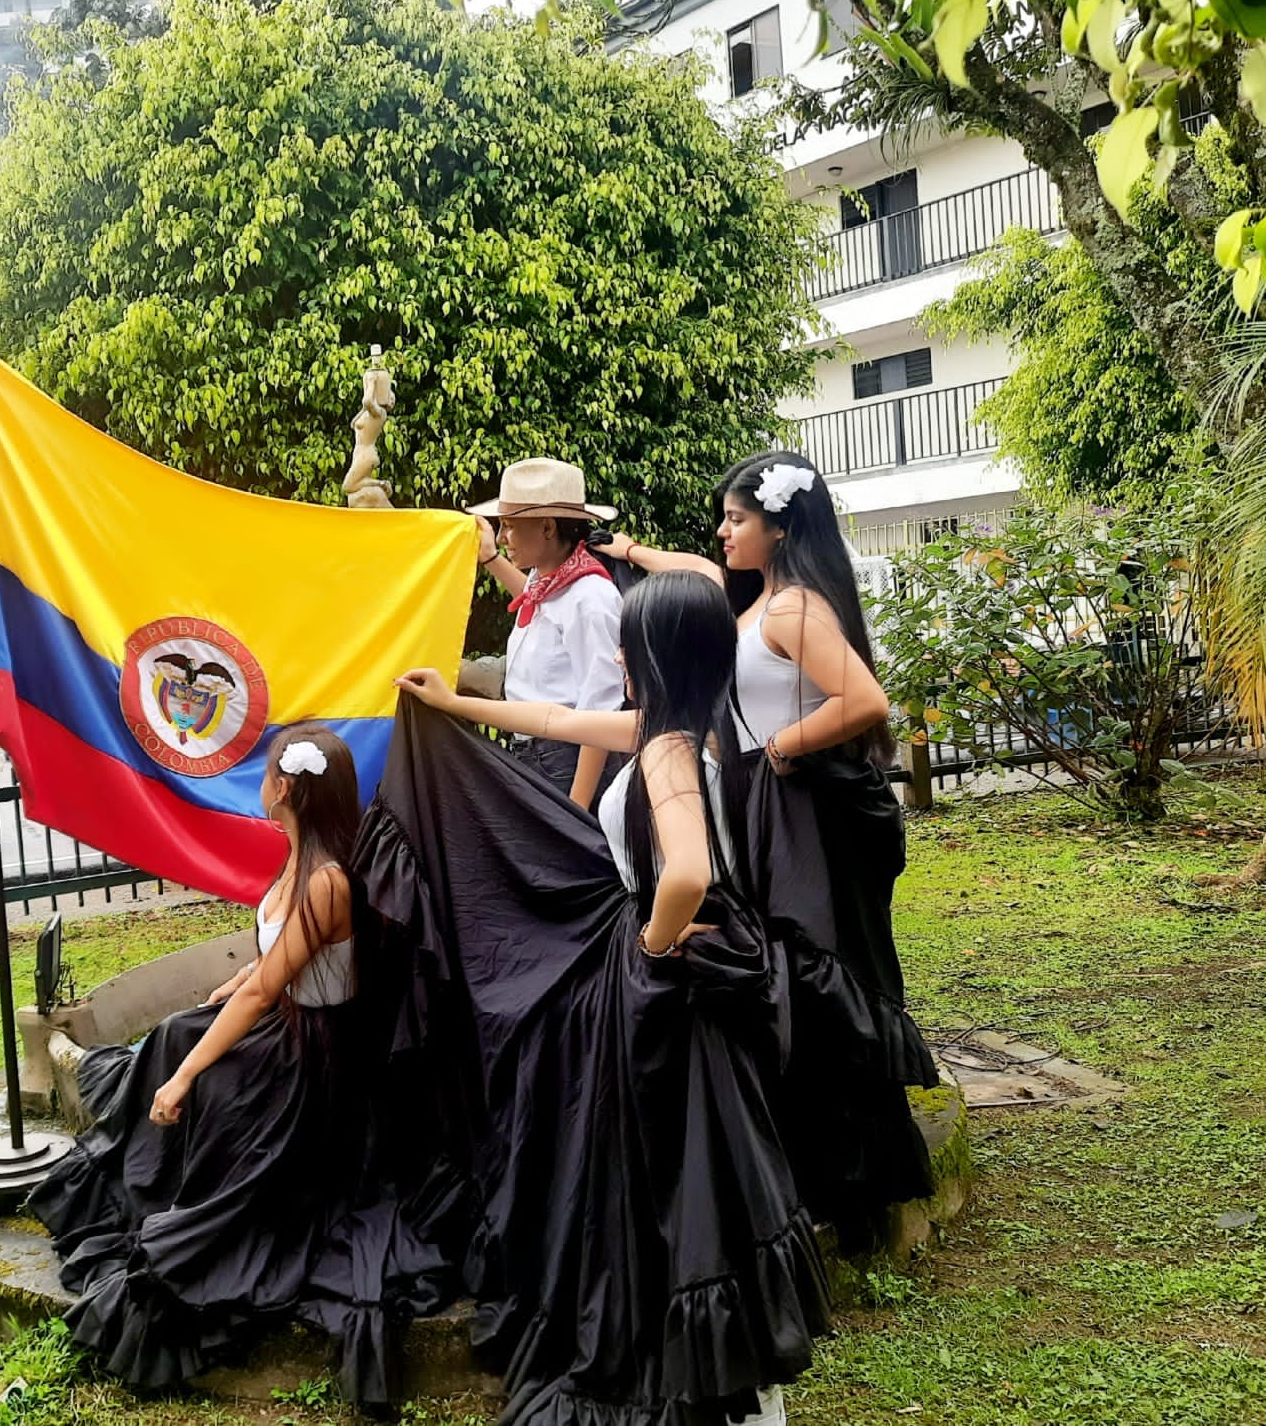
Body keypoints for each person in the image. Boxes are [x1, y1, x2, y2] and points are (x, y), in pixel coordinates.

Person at [385, 571, 829, 1426]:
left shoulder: (665, 753)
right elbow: (553, 721)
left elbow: (691, 871)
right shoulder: (684, 729)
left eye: (629, 642)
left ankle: (723, 1388)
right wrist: (456, 704)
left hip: (676, 1000)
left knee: (682, 1179)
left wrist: (653, 942)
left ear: (652, 656)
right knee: (695, 1184)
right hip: (693, 995)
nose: (617, 655)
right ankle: (730, 1379)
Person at [597, 450, 940, 1242]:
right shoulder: (757, 601)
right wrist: (632, 555)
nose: (721, 532)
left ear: (780, 528)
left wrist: (777, 749)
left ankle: (848, 1174)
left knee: (812, 964)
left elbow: (862, 699)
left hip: (798, 808)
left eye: (736, 518)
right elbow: (695, 570)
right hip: (767, 803)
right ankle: (801, 1155)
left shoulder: (793, 610)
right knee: (786, 965)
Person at [28, 725, 413, 1388]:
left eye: (266, 773)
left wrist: (183, 1078)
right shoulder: (299, 854)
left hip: (314, 1053)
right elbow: (271, 962)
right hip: (290, 1023)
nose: (260, 783)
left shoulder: (326, 880)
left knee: (195, 1069)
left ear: (285, 787)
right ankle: (147, 1161)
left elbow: (269, 988)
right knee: (176, 1029)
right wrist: (225, 989)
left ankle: (184, 1188)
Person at [468, 457, 624, 809]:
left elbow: (600, 711)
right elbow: (537, 600)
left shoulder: (591, 599)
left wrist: (576, 811)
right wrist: (492, 559)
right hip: (535, 753)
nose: (504, 536)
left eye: (509, 526)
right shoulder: (550, 577)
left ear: (549, 528)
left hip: (564, 761)